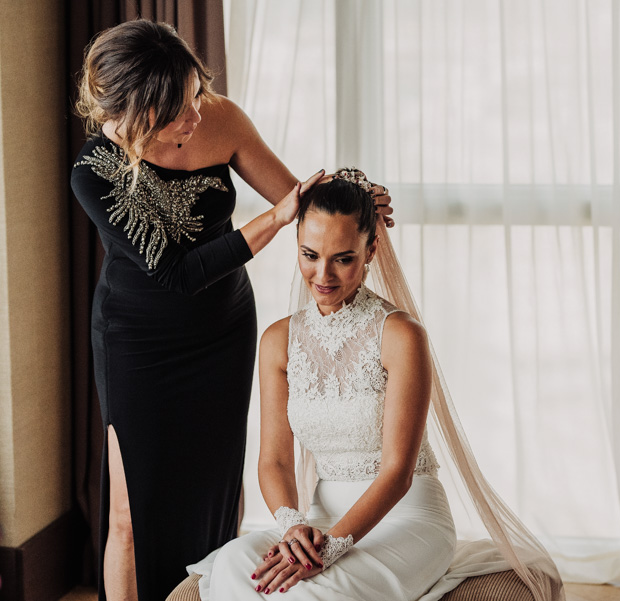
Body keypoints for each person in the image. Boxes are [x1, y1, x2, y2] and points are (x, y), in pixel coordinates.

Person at [70, 21, 392, 601]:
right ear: (138, 110)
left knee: (218, 494)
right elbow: (178, 273)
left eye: (196, 93)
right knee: (128, 510)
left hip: (222, 332)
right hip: (138, 341)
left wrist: (357, 198)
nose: (196, 115)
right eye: (178, 109)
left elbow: (298, 198)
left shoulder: (220, 117)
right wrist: (273, 219)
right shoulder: (95, 171)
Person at [202, 170, 563, 600]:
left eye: (343, 257)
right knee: (232, 565)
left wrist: (333, 546)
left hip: (406, 519)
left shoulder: (400, 336)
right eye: (309, 254)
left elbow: (398, 472)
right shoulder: (278, 341)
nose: (323, 275)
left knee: (317, 593)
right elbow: (274, 463)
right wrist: (294, 527)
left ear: (371, 248)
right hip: (318, 518)